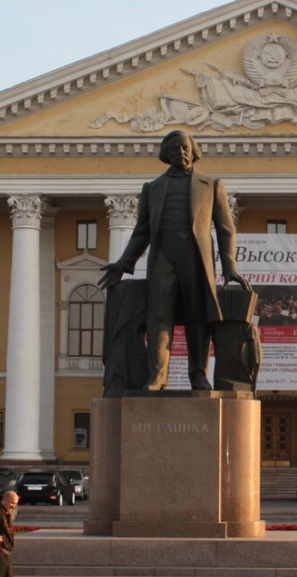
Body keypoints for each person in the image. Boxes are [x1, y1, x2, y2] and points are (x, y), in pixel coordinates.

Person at [99, 129, 251, 391]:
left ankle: (198, 375)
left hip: (196, 260)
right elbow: (142, 232)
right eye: (174, 149)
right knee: (159, 318)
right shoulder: (153, 189)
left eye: (184, 147)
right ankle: (158, 376)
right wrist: (124, 263)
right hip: (164, 259)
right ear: (165, 155)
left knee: (198, 319)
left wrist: (230, 267)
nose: (180, 152)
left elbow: (226, 230)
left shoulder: (212, 185)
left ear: (193, 151)